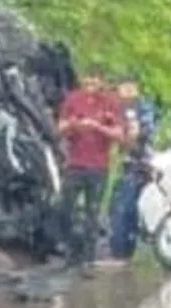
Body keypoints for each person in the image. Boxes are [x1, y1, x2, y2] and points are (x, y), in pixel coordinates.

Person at [58, 67, 123, 272]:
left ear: (101, 83)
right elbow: (59, 128)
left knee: (92, 213)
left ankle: (88, 259)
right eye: (87, 83)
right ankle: (71, 253)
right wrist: (75, 125)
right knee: (65, 209)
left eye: (94, 83)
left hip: (98, 166)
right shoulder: (73, 100)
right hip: (75, 164)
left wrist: (98, 127)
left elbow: (119, 134)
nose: (90, 87)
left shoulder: (110, 104)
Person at [104, 75, 157, 266]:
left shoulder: (139, 107)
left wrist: (126, 138)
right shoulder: (120, 107)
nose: (125, 91)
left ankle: (120, 254)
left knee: (122, 207)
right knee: (125, 207)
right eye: (122, 88)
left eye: (129, 87)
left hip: (138, 162)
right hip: (129, 162)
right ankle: (124, 252)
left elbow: (140, 134)